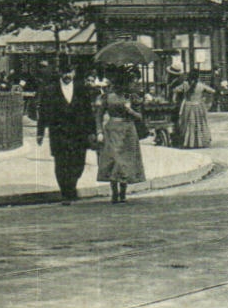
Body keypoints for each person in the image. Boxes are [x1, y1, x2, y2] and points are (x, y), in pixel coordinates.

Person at [37, 62, 94, 204]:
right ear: (60, 73)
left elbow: (88, 111)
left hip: (79, 132)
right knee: (61, 163)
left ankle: (72, 185)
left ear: (74, 73)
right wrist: (40, 132)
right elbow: (43, 112)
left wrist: (92, 131)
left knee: (78, 163)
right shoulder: (50, 90)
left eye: (70, 72)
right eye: (64, 72)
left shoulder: (82, 89)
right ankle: (66, 192)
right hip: (58, 132)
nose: (67, 75)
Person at [94, 69, 146, 203]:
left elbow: (140, 117)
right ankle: (114, 192)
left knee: (125, 162)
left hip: (128, 131)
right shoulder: (107, 96)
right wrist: (99, 131)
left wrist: (130, 110)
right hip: (112, 130)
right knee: (114, 160)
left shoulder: (132, 97)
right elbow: (99, 115)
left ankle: (122, 192)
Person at [174, 71, 214, 149]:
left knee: (188, 124)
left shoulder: (185, 84)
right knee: (199, 123)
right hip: (198, 106)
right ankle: (200, 142)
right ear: (197, 77)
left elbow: (175, 90)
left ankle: (189, 142)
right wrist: (204, 97)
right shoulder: (200, 85)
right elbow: (212, 91)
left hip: (188, 106)